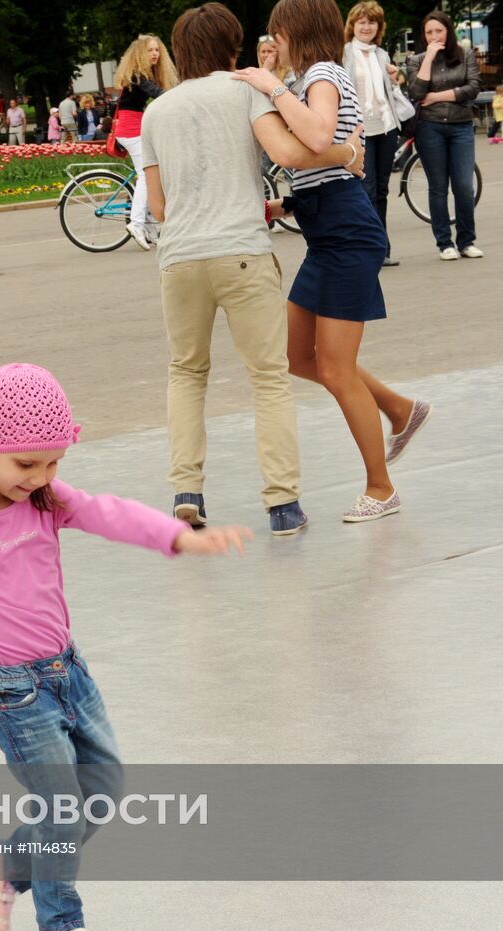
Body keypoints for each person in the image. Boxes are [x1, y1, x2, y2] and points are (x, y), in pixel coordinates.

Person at [0, 363, 250, 931]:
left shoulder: (46, 500)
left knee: (102, 790)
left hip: (70, 676)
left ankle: (4, 870)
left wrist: (177, 539)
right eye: (26, 464)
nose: (41, 477)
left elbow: (109, 513)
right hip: (16, 695)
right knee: (62, 807)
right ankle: (60, 928)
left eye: (53, 463)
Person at [143, 0, 367, 535]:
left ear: (179, 51)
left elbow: (157, 207)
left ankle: (186, 490)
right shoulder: (245, 91)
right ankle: (282, 504)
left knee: (187, 372)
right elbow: (288, 154)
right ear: (231, 48)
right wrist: (343, 154)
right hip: (242, 249)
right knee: (268, 377)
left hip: (179, 258)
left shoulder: (157, 112)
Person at [235, 0, 429, 522]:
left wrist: (269, 84)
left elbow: (319, 140)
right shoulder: (309, 81)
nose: (272, 40)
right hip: (327, 232)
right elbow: (327, 164)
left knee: (337, 371)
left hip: (346, 234)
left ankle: (381, 488)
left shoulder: (322, 75)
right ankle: (399, 409)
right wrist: (286, 205)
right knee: (298, 357)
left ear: (296, 30)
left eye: (277, 31)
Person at [406, 9, 483, 261]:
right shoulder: (417, 60)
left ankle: (467, 240)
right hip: (430, 128)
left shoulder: (465, 55)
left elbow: (473, 88)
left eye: (438, 30)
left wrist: (438, 95)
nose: (434, 36)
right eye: (429, 32)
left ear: (448, 31)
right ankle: (444, 243)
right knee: (438, 187)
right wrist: (428, 59)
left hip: (461, 126)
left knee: (463, 185)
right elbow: (416, 93)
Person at [343, 2, 407, 267]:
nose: (367, 26)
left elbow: (392, 85)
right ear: (353, 25)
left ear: (378, 27)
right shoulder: (344, 52)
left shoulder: (381, 54)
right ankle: (368, 247)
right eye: (362, 22)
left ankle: (382, 248)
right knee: (366, 190)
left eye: (372, 22)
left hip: (386, 125)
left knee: (381, 190)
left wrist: (395, 76)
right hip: (360, 129)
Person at [113, 33, 179, 250]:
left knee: (155, 174)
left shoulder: (144, 74)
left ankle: (150, 226)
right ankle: (137, 223)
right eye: (150, 50)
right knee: (145, 174)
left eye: (157, 49)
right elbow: (159, 94)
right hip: (130, 129)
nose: (154, 53)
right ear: (141, 53)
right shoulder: (137, 76)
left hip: (136, 126)